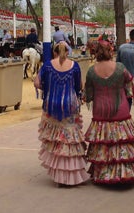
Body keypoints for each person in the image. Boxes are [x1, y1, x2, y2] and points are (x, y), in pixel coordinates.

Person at [84, 41, 134, 184]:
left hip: (101, 112)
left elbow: (88, 95)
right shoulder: (120, 68)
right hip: (120, 110)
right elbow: (131, 87)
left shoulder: (92, 71)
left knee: (103, 143)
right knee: (121, 142)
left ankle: (103, 174)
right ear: (110, 51)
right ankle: (125, 173)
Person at [33, 42, 89, 186]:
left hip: (51, 105)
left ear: (54, 52)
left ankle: (59, 177)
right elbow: (79, 86)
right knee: (69, 140)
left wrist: (47, 87)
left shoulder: (47, 65)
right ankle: (72, 175)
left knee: (58, 140)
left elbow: (37, 82)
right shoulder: (74, 66)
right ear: (68, 51)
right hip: (69, 105)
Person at [116, 29, 134, 124]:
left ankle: (125, 123)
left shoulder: (122, 48)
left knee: (126, 102)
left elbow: (118, 64)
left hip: (124, 79)